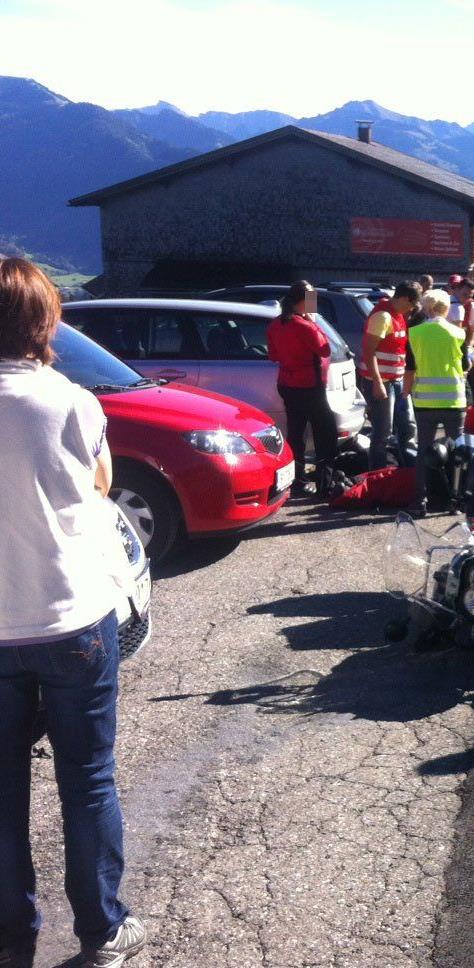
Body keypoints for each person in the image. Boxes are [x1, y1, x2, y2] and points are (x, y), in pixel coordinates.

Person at [0, 258, 148, 968]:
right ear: (40, 321)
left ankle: (11, 932)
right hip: (71, 620)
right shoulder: (70, 401)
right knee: (86, 781)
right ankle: (102, 933)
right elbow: (102, 484)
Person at [266, 280, 338, 496]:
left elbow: (273, 355)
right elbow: (325, 349)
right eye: (311, 300)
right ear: (304, 301)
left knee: (296, 432)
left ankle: (297, 479)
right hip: (309, 385)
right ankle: (325, 482)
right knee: (325, 433)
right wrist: (314, 321)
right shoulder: (304, 325)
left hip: (288, 383)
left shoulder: (276, 324)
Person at [404, 289, 467, 512]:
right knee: (456, 454)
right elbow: (466, 365)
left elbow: (410, 367)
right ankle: (455, 501)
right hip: (454, 401)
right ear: (445, 309)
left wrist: (405, 391)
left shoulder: (415, 333)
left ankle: (419, 502)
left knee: (423, 451)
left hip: (425, 402)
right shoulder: (458, 333)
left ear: (427, 307)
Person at [358, 280, 421, 470]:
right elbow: (369, 351)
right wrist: (377, 383)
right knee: (383, 432)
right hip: (381, 383)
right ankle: (377, 475)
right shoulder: (383, 316)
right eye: (411, 303)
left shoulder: (398, 315)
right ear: (403, 298)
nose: (412, 308)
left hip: (396, 381)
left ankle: (409, 471)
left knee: (408, 427)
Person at [446, 274, 474, 398]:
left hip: (460, 350)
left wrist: (469, 348)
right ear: (455, 290)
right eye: (464, 295)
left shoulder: (471, 306)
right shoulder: (448, 304)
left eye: (470, 296)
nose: (467, 299)